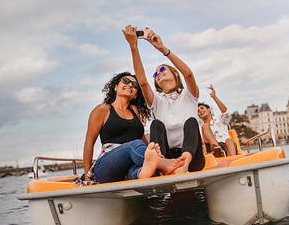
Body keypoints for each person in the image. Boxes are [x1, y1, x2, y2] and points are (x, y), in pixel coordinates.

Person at [123, 25, 204, 174]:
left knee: (192, 122)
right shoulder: (157, 101)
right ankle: (161, 163)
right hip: (168, 158)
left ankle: (184, 162)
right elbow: (142, 82)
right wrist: (133, 46)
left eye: (162, 70)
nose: (158, 74)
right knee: (156, 124)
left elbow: (189, 75)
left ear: (175, 73)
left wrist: (163, 49)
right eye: (155, 75)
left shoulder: (189, 96)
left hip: (193, 159)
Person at [83, 72, 177, 184]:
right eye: (126, 81)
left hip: (130, 165)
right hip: (107, 166)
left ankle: (143, 173)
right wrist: (87, 175)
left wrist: (151, 151)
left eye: (135, 85)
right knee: (134, 145)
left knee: (141, 168)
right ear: (116, 87)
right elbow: (89, 143)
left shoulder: (134, 110)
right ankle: (164, 164)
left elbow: (142, 139)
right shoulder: (103, 110)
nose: (130, 85)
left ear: (136, 94)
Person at [198, 84, 237, 157]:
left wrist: (214, 97)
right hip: (212, 148)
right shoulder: (201, 128)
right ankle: (216, 148)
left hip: (227, 146)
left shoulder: (220, 119)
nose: (200, 111)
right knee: (205, 126)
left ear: (209, 109)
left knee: (229, 140)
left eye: (202, 108)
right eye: (198, 111)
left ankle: (232, 161)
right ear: (199, 117)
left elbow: (226, 112)